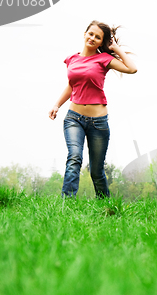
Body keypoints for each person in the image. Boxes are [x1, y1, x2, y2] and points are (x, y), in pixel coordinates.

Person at [48, 20, 137, 198]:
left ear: (101, 42)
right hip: (74, 118)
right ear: (84, 34)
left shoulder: (104, 59)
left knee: (96, 171)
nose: (93, 38)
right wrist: (57, 105)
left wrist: (116, 49)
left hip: (98, 122)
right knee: (74, 157)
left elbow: (132, 69)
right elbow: (71, 85)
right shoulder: (72, 59)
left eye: (98, 37)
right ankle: (68, 203)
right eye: (91, 34)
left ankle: (105, 205)